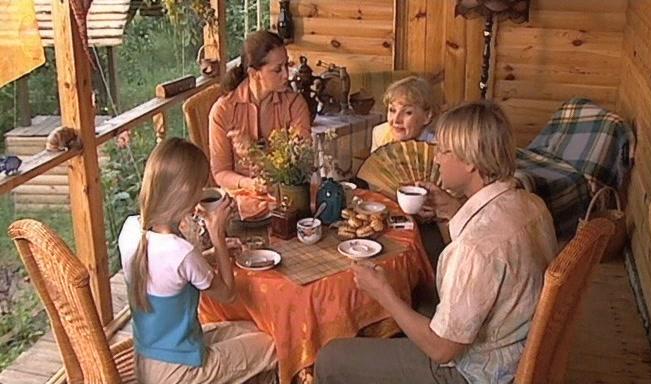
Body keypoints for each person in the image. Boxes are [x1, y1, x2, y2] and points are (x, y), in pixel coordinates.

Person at [315, 101, 558, 384]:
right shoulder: (530, 204)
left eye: (443, 150)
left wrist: (383, 293)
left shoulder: (475, 249)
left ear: (470, 161)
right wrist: (451, 210)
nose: (436, 159)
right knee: (423, 270)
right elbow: (489, 242)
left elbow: (441, 350)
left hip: (475, 372)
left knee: (331, 358)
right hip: (515, 342)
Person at [119, 138, 276, 384]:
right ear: (184, 192)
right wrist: (218, 237)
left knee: (255, 328)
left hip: (147, 358)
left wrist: (213, 256)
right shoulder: (180, 251)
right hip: (179, 371)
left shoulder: (130, 229)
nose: (203, 192)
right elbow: (228, 294)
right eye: (200, 187)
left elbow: (170, 273)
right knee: (274, 343)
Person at [210, 30, 311, 189]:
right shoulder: (223, 110)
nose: (287, 75)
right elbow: (220, 172)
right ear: (254, 74)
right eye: (278, 69)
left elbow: (301, 167)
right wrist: (251, 184)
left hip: (286, 195)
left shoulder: (295, 104)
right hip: (240, 199)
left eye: (287, 65)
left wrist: (256, 153)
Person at [370, 76, 437, 153]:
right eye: (392, 110)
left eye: (408, 112)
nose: (396, 119)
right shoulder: (380, 134)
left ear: (427, 116)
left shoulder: (438, 144)